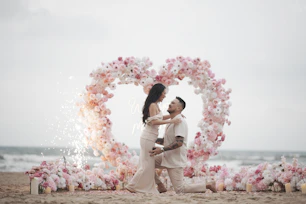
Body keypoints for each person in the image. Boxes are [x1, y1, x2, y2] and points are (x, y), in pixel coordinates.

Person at [149, 97, 217, 194]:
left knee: (180, 190)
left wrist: (162, 149)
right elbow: (165, 141)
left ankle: (208, 185)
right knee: (147, 161)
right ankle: (160, 185)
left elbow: (179, 142)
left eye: (173, 103)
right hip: (166, 156)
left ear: (178, 108)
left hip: (175, 160)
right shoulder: (172, 121)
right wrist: (149, 139)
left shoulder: (179, 122)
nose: (169, 104)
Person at [125, 83, 181, 194]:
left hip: (150, 138)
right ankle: (132, 186)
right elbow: (154, 122)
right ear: (158, 93)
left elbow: (159, 117)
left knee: (147, 163)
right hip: (148, 137)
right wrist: (171, 121)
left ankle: (136, 186)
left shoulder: (155, 105)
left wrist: (173, 115)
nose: (165, 96)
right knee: (147, 164)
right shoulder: (152, 105)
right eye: (164, 93)